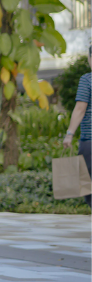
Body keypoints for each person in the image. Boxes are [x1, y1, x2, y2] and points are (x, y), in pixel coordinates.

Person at [62, 45, 91, 206]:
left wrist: (69, 134)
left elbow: (80, 109)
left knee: (87, 186)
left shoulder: (87, 79)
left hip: (90, 142)